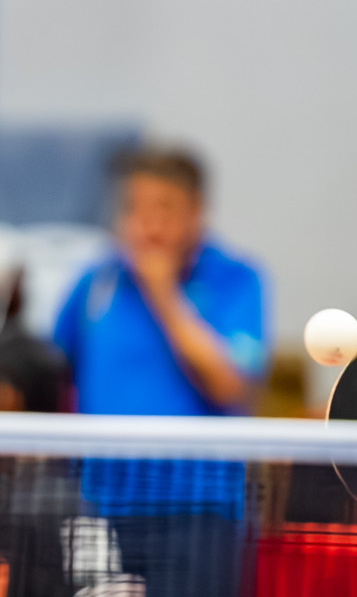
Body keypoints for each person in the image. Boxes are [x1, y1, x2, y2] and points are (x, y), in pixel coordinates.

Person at [53, 147, 266, 597]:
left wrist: (161, 289)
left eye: (164, 209)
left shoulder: (237, 279)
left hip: (199, 510)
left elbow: (230, 384)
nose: (147, 225)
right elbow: (50, 370)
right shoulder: (95, 284)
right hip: (100, 509)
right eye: (134, 209)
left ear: (196, 213)